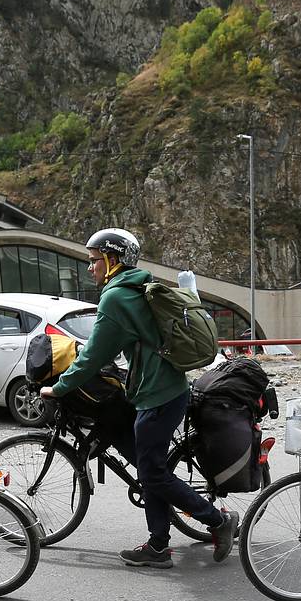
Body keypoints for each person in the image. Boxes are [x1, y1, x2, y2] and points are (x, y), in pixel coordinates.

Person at [39, 227, 238, 568]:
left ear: (112, 259)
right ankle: (159, 547)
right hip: (158, 390)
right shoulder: (131, 287)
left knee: (153, 474)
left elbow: (94, 356)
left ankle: (218, 521)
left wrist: (58, 387)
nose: (90, 268)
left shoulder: (116, 297)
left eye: (94, 261)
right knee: (146, 465)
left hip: (158, 396)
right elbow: (110, 342)